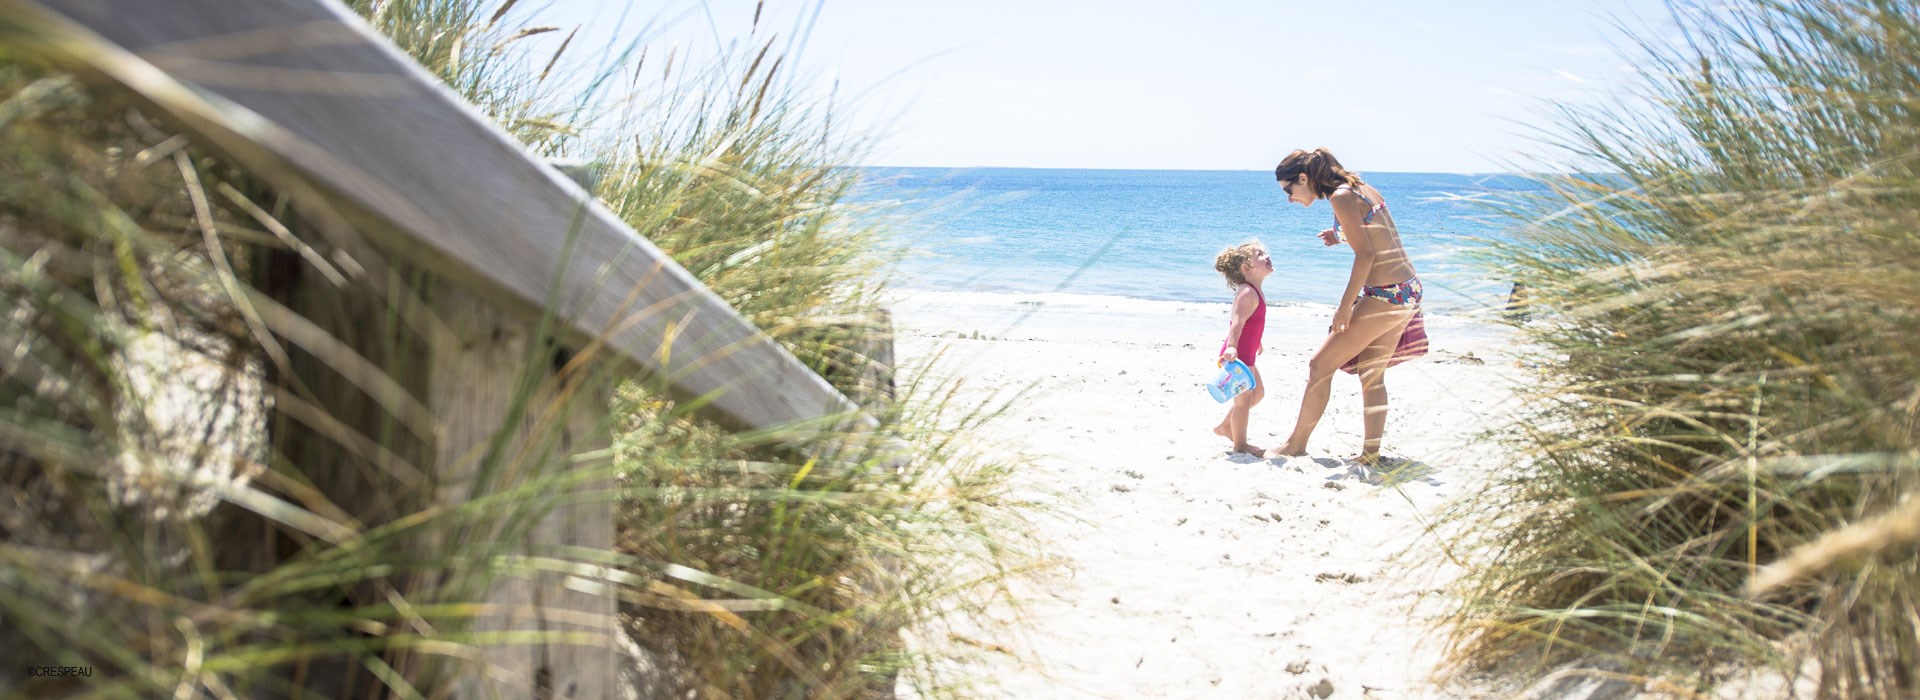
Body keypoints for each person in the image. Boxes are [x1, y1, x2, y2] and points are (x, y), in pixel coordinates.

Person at [1267, 148, 1421, 464]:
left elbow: (1367, 255)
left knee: (1319, 367)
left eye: (1289, 189)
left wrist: (1345, 307)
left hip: (1384, 294)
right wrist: (1338, 235)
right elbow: (1375, 232)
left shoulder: (1340, 196)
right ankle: (1371, 454)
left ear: (1304, 178)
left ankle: (1296, 445)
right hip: (1407, 290)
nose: (1289, 198)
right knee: (1372, 374)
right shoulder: (1359, 188)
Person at [1211, 241, 1274, 455]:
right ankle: (1240, 445)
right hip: (1236, 356)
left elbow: (1250, 323)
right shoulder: (1247, 292)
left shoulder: (1255, 290)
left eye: (1265, 252)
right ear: (1246, 269)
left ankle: (1225, 427)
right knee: (1243, 403)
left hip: (1246, 354)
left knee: (1257, 395)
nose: (1267, 256)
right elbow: (1236, 323)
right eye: (1260, 254)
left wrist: (1257, 341)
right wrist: (1231, 347)